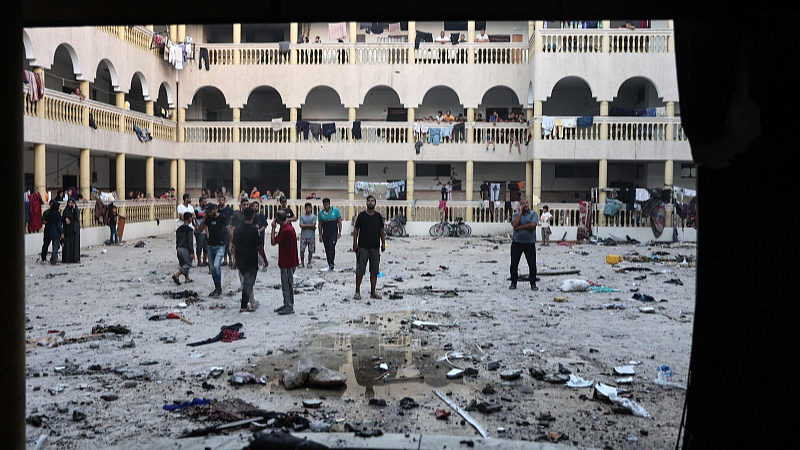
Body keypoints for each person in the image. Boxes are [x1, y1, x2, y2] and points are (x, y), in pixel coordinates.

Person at [232, 207, 268, 313]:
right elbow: (259, 247)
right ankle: (244, 306)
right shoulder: (254, 230)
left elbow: (234, 246)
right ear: (253, 216)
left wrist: (234, 260)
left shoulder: (237, 229)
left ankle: (248, 304)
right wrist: (265, 260)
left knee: (247, 283)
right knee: (249, 283)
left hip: (240, 259)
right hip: (251, 259)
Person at [352, 195, 385, 300]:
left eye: (373, 201)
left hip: (375, 247)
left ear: (375, 203)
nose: (371, 202)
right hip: (363, 247)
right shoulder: (361, 216)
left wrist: (383, 243)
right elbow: (356, 229)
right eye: (369, 201)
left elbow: (381, 230)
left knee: (374, 271)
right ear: (366, 203)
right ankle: (357, 291)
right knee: (360, 270)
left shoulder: (378, 216)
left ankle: (373, 292)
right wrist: (355, 243)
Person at [196, 203, 228, 297]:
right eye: (207, 212)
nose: (209, 213)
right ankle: (217, 287)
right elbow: (199, 230)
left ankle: (218, 288)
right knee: (213, 269)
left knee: (216, 266)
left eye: (210, 211)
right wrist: (204, 219)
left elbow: (228, 230)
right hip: (210, 246)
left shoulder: (222, 218)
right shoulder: (208, 219)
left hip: (220, 245)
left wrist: (231, 243)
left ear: (215, 209)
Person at [271, 210, 299, 315]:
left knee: (286, 285)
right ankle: (288, 303)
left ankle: (289, 306)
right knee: (289, 284)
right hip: (291, 260)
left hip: (287, 261)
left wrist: (273, 228)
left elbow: (273, 242)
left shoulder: (285, 230)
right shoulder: (288, 228)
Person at [509, 198, 539, 291]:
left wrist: (521, 226)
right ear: (520, 206)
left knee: (532, 264)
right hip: (517, 242)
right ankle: (513, 283)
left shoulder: (533, 214)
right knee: (514, 264)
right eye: (523, 203)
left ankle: (533, 283)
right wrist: (520, 213)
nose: (525, 205)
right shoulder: (515, 215)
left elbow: (533, 225)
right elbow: (514, 225)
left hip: (529, 243)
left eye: (527, 203)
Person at [318, 197, 343, 271]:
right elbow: (320, 224)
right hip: (325, 234)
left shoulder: (336, 211)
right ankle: (329, 263)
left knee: (332, 247)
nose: (326, 206)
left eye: (327, 204)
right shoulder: (321, 213)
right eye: (325, 205)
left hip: (333, 233)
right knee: (327, 248)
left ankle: (331, 263)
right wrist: (320, 234)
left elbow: (339, 221)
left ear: (329, 204)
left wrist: (340, 232)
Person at [173, 211, 195, 285]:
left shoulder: (179, 229)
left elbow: (177, 240)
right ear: (189, 219)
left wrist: (177, 248)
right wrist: (192, 252)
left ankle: (187, 278)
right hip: (185, 249)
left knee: (183, 264)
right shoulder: (189, 230)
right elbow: (190, 242)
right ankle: (177, 275)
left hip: (179, 248)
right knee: (188, 264)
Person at [61, 198, 80, 263]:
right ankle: (67, 259)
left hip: (74, 230)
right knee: (67, 245)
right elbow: (62, 218)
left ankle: (75, 259)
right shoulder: (66, 210)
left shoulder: (76, 210)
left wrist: (74, 208)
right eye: (69, 203)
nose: (70, 204)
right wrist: (65, 219)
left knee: (74, 245)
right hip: (67, 230)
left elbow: (76, 216)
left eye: (72, 203)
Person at [250, 200, 269, 268]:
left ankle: (260, 262)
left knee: (260, 248)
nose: (255, 207)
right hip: (252, 235)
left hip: (260, 234)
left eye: (256, 206)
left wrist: (258, 231)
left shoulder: (261, 215)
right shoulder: (250, 216)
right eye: (254, 206)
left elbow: (265, 225)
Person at [298, 202, 317, 268]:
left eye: (309, 208)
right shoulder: (302, 216)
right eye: (307, 208)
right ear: (305, 208)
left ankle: (309, 262)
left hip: (311, 236)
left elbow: (313, 224)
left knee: (310, 250)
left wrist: (305, 226)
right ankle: (302, 262)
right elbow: (301, 225)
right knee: (302, 250)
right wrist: (311, 226)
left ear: (311, 209)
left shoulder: (313, 216)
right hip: (304, 236)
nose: (308, 209)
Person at [216, 195, 234, 266]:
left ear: (224, 201)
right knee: (222, 244)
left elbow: (233, 217)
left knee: (228, 244)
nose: (221, 201)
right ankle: (225, 260)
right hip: (220, 229)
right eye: (219, 200)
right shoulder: (217, 209)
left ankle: (230, 260)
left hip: (228, 228)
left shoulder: (229, 209)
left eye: (222, 200)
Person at [48, 201, 64, 265]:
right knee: (56, 247)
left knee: (54, 246)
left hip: (51, 232)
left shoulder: (50, 213)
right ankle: (54, 260)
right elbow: (59, 225)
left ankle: (52, 259)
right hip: (56, 233)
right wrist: (62, 233)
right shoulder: (57, 215)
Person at [39, 200, 55, 264]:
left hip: (54, 230)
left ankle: (53, 258)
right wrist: (47, 223)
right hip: (48, 230)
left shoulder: (56, 212)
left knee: (55, 245)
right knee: (46, 244)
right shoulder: (46, 212)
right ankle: (43, 257)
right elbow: (42, 221)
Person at [194, 196, 208, 266]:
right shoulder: (197, 210)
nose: (206, 203)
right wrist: (195, 227)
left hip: (206, 231)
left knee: (206, 247)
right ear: (200, 202)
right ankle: (199, 261)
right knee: (199, 246)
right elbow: (194, 219)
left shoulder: (207, 210)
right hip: (200, 231)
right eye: (204, 202)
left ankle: (205, 260)